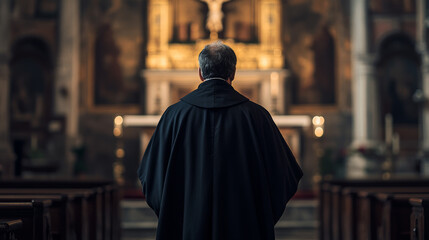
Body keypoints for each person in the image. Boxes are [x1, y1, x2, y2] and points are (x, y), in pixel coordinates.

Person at [137, 42, 303, 240]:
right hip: (244, 229)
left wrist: (177, 216)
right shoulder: (257, 116)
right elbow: (284, 176)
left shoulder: (174, 116)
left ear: (200, 72)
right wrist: (257, 217)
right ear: (233, 73)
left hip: (188, 230)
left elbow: (150, 177)